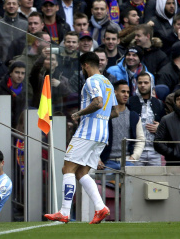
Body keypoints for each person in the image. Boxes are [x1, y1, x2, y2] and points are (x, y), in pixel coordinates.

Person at [44, 52, 119, 224]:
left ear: (86, 65)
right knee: (82, 172)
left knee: (68, 168)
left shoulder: (91, 81)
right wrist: (101, 117)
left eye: (82, 67)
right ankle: (100, 207)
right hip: (102, 134)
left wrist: (78, 113)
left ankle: (64, 212)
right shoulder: (107, 82)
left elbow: (97, 102)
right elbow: (115, 111)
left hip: (87, 132)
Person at [99, 80, 144, 170]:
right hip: (107, 162)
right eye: (123, 92)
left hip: (127, 161)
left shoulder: (133, 116)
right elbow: (95, 138)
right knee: (107, 184)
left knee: (131, 183)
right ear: (114, 93)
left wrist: (133, 158)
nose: (126, 95)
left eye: (128, 92)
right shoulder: (104, 115)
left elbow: (141, 139)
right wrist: (97, 159)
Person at [128, 72, 164, 166]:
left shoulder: (159, 103)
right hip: (136, 150)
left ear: (151, 84)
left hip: (155, 150)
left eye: (146, 82)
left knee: (155, 179)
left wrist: (159, 128)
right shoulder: (130, 102)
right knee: (135, 179)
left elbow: (166, 124)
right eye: (140, 83)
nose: (143, 85)